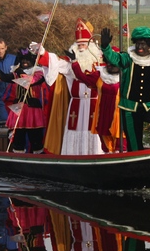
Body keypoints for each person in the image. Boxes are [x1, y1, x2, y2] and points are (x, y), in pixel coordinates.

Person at [100, 26, 150, 151]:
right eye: (138, 44)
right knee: (134, 145)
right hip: (129, 108)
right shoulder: (128, 58)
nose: (140, 47)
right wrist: (106, 47)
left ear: (149, 44)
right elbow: (114, 58)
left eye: (143, 44)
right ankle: (137, 162)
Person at [34, 19, 103, 155]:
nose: (81, 48)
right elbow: (55, 63)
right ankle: (73, 154)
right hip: (76, 103)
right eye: (78, 45)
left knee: (95, 130)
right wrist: (43, 53)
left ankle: (96, 154)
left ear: (92, 46)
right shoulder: (69, 63)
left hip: (94, 102)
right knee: (74, 129)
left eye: (84, 44)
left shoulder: (100, 61)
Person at [0, 48, 48, 153]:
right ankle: (18, 155)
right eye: (22, 59)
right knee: (18, 139)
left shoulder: (39, 73)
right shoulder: (16, 73)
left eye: (27, 59)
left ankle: (38, 158)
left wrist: (19, 71)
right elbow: (2, 76)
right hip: (18, 110)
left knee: (36, 139)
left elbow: (29, 82)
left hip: (32, 111)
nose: (24, 62)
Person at [68, 47, 124, 153]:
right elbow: (82, 77)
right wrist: (74, 62)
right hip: (103, 114)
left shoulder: (126, 76)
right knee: (106, 145)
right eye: (108, 62)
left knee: (121, 144)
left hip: (119, 115)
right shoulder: (100, 75)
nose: (110, 65)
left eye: (113, 63)